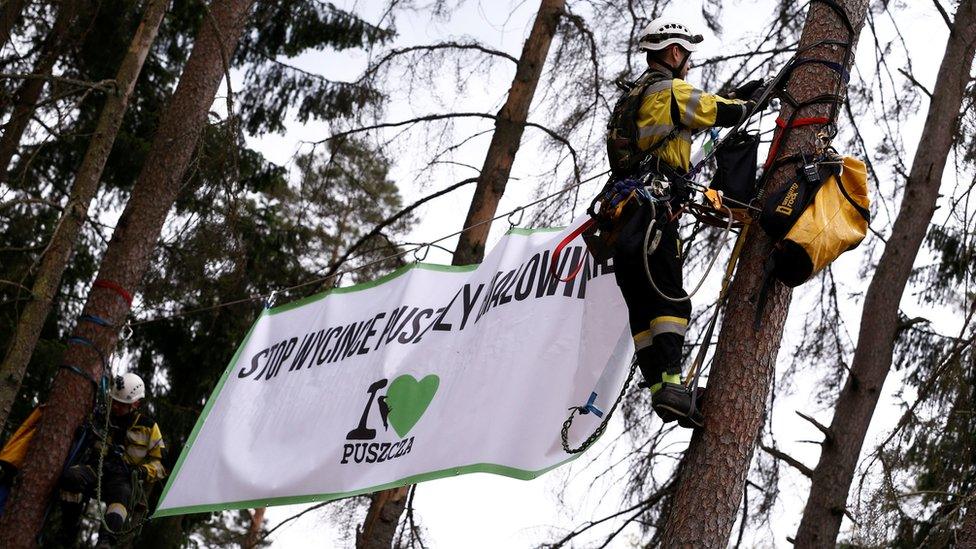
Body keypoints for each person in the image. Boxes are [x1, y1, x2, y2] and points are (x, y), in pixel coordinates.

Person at [603, 17, 764, 428]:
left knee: (642, 308)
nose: (689, 64)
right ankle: (673, 382)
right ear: (674, 52)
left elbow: (687, 117)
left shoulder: (633, 96)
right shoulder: (669, 90)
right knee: (670, 298)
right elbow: (713, 111)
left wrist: (728, 98)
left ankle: (662, 390)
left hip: (622, 220)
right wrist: (749, 104)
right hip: (651, 211)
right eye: (687, 55)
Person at [57, 373, 166, 548]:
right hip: (96, 468)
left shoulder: (149, 428)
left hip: (123, 477)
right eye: (113, 401)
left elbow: (160, 466)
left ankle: (106, 541)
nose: (115, 406)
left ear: (135, 404)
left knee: (121, 496)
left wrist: (143, 471)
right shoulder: (101, 415)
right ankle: (69, 527)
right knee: (71, 477)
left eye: (121, 404)